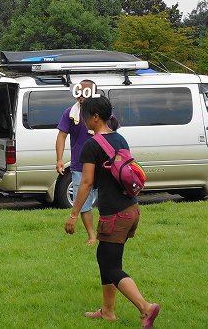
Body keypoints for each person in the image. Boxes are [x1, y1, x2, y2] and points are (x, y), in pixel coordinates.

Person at [65, 96, 160, 328]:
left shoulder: (91, 145)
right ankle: (107, 312)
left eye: (85, 116)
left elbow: (86, 183)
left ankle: (146, 308)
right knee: (107, 258)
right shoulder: (120, 138)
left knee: (110, 266)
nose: (83, 121)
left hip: (115, 214)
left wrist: (74, 213)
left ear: (95, 117)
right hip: (131, 208)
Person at [56, 80, 98, 245]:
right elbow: (61, 136)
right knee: (84, 201)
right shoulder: (70, 113)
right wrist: (59, 159)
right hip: (80, 165)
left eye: (85, 91)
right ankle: (91, 235)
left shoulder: (102, 112)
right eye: (78, 91)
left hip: (102, 165)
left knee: (108, 199)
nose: (81, 94)